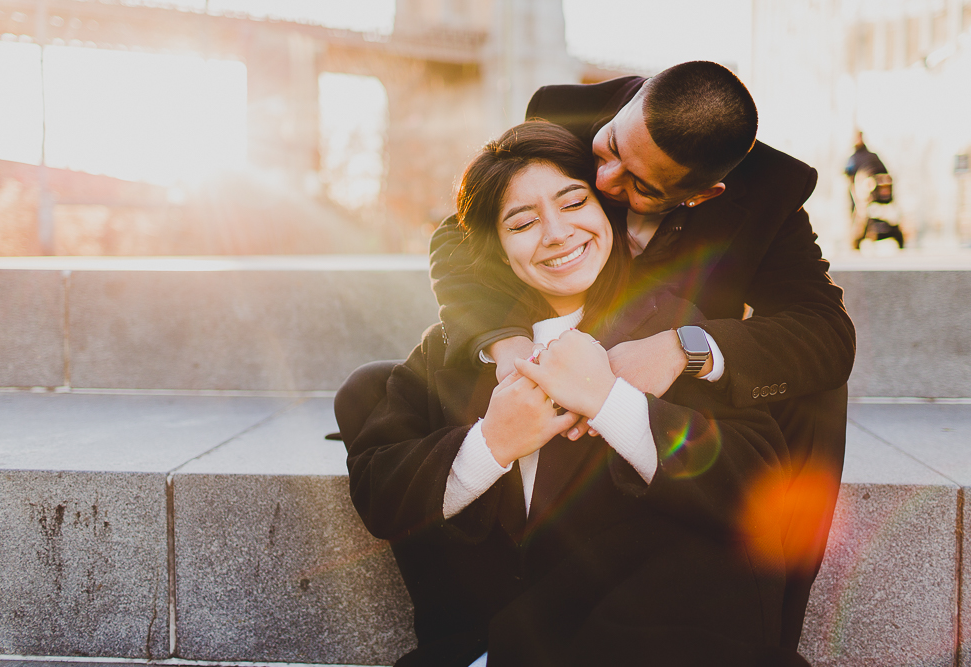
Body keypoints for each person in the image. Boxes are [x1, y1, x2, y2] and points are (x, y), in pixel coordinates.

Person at [338, 61, 852, 650]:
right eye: (606, 150)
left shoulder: (766, 200)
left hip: (672, 363)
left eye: (641, 185)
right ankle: (469, 638)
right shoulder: (565, 122)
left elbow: (824, 332)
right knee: (381, 392)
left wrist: (669, 356)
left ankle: (775, 630)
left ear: (702, 193)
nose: (607, 181)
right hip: (537, 339)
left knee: (810, 392)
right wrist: (500, 352)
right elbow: (464, 230)